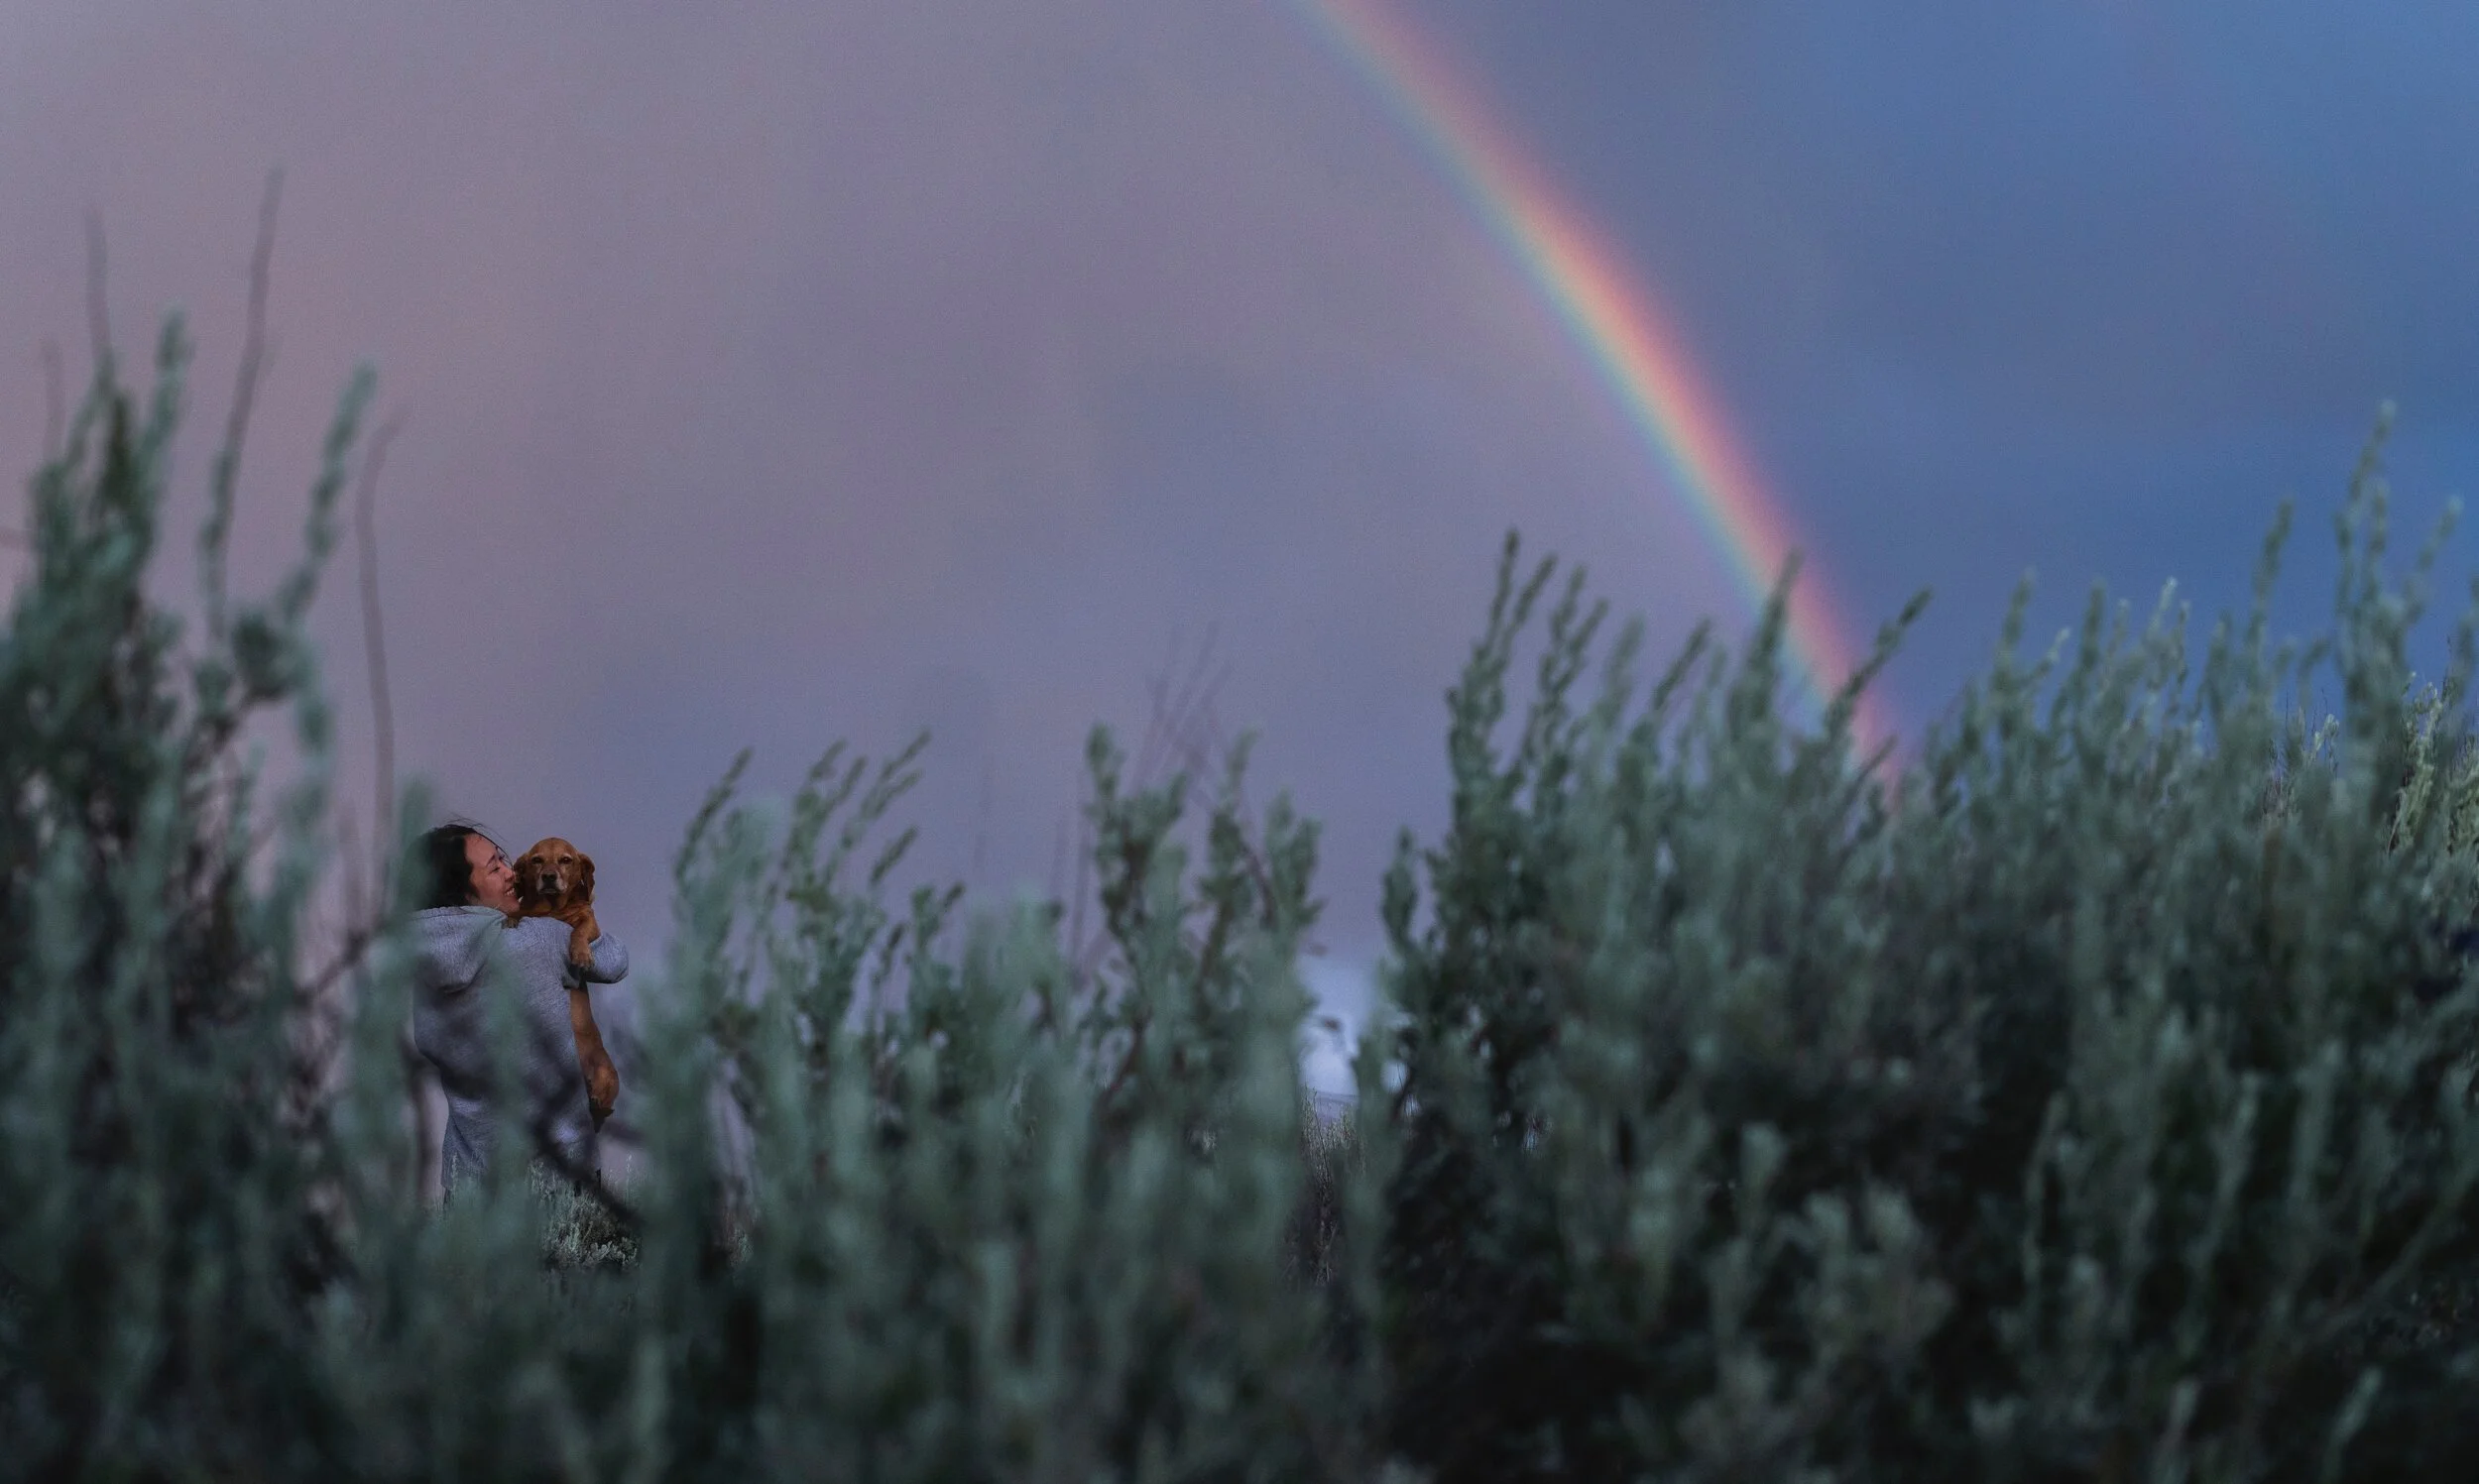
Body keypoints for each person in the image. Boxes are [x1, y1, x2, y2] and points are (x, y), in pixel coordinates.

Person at [407, 821, 630, 1197]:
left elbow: (427, 1043)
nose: (514, 874)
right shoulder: (538, 938)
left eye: (505, 860)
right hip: (556, 1173)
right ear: (462, 889)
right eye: (495, 868)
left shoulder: (419, 962)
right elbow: (614, 961)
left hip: (469, 1181)